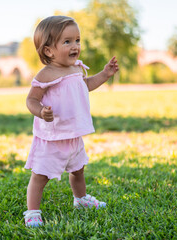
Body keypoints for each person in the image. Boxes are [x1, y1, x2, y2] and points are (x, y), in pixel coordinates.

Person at [23, 15, 119, 227]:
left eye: (77, 40)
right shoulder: (46, 74)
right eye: (67, 41)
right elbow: (31, 99)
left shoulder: (76, 69)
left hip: (73, 134)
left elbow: (86, 85)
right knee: (40, 176)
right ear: (49, 50)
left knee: (78, 170)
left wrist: (104, 74)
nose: (75, 46)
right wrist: (40, 111)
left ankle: (81, 199)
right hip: (52, 137)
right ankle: (32, 213)